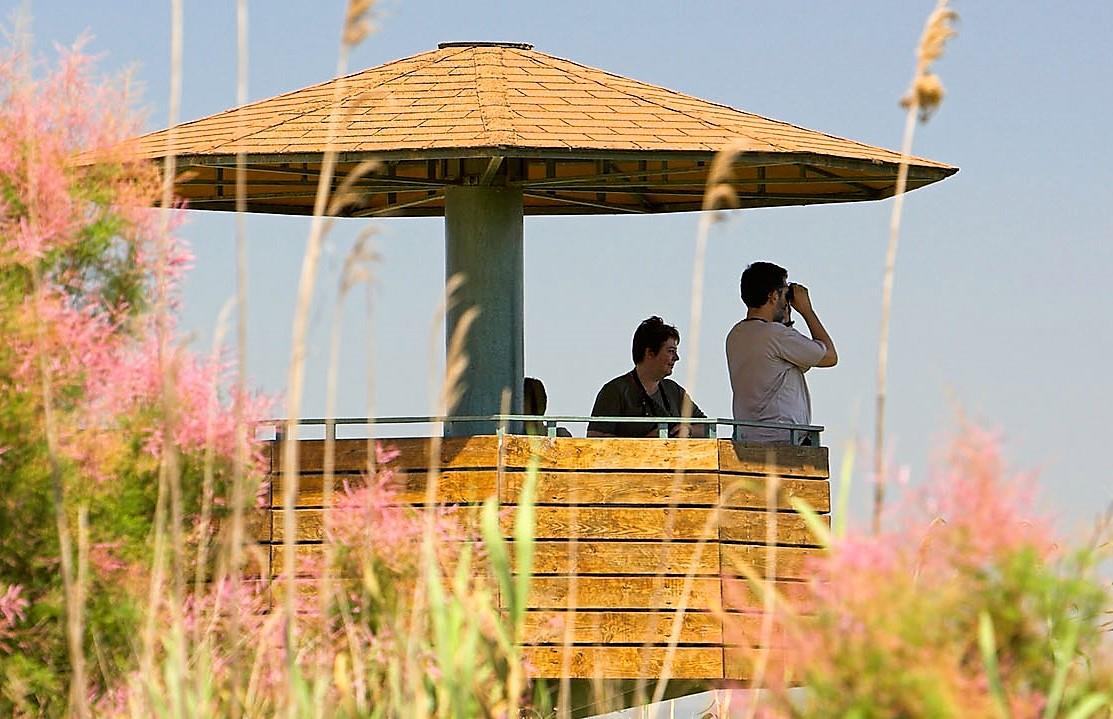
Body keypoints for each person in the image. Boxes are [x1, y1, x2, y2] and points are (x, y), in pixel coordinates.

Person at [725, 262, 837, 444]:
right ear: (772, 296)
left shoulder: (736, 335)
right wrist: (807, 311)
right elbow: (830, 356)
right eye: (785, 293)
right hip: (783, 441)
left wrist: (785, 321)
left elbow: (792, 366)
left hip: (748, 439)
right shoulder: (776, 335)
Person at [587, 316, 707, 438]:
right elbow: (594, 440)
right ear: (649, 352)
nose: (676, 358)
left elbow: (707, 428)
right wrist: (644, 443)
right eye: (671, 351)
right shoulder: (614, 391)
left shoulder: (674, 391)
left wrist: (688, 429)